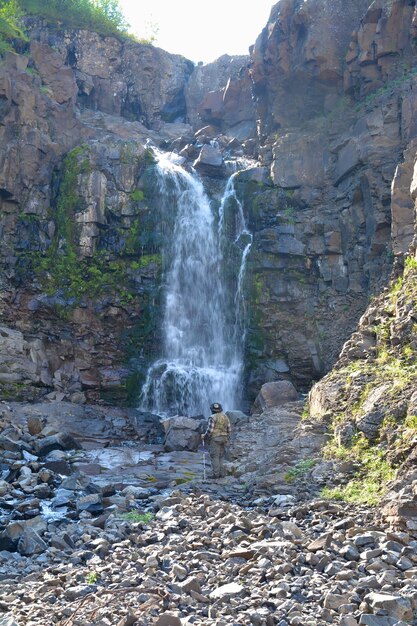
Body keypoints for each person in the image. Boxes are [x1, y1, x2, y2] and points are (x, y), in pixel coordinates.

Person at [202, 402, 231, 479]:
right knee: (221, 456)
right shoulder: (225, 417)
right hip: (224, 438)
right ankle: (222, 474)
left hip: (215, 439)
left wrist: (204, 436)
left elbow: (210, 430)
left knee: (215, 456)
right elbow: (229, 429)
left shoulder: (212, 417)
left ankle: (215, 474)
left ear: (212, 410)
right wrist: (226, 437)